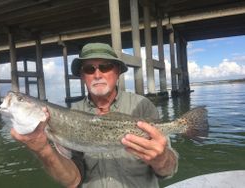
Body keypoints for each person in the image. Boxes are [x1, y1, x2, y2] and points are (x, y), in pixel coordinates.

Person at [11, 43, 178, 188]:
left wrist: (161, 158)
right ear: (82, 76)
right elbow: (72, 181)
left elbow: (169, 170)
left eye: (105, 67)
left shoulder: (143, 106)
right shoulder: (71, 114)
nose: (97, 75)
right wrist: (43, 149)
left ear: (117, 72)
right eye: (89, 69)